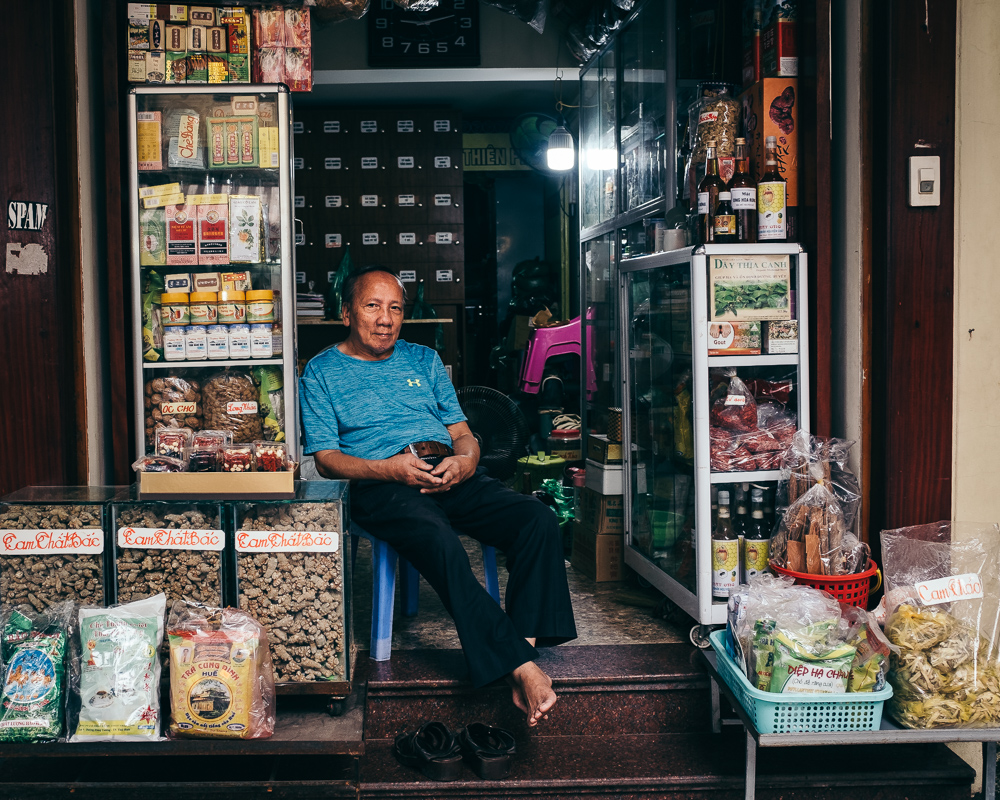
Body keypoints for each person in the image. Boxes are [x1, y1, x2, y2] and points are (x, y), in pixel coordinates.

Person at [300, 265, 577, 726]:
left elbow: (464, 434)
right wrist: (390, 469)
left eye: (395, 309)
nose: (385, 319)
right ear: (347, 312)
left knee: (536, 519)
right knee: (438, 538)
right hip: (381, 481)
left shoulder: (424, 360)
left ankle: (518, 650)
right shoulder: (323, 371)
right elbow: (327, 459)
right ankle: (522, 668)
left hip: (446, 470)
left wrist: (466, 462)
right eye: (373, 306)